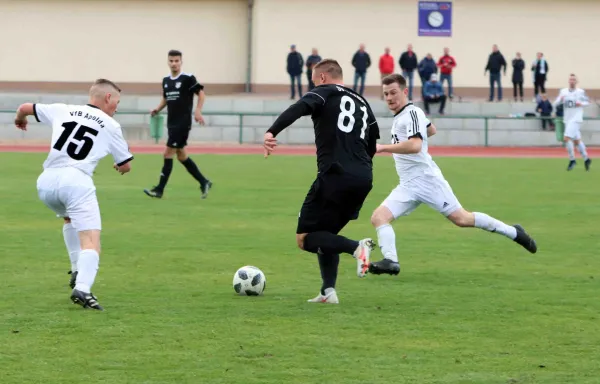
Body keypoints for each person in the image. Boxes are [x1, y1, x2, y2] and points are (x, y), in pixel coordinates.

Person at [368, 74, 537, 276]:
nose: (389, 97)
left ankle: (514, 232)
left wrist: (383, 148)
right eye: (385, 94)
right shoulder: (405, 116)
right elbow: (432, 130)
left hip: (427, 180)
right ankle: (391, 261)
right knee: (379, 217)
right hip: (408, 184)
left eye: (393, 92)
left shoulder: (411, 113)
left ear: (405, 92)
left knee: (462, 219)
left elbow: (415, 145)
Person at [263, 59, 380, 304]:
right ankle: (329, 292)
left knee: (305, 238)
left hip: (335, 175)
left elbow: (299, 107)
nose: (313, 86)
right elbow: (371, 145)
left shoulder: (324, 93)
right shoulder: (363, 103)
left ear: (323, 78)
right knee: (326, 234)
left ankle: (357, 248)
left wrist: (272, 131)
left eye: (314, 81)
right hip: (363, 178)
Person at [14, 79, 134, 310]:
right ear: (108, 98)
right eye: (117, 101)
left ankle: (77, 267)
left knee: (70, 218)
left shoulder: (63, 109)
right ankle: (83, 288)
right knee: (91, 241)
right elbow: (126, 165)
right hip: (76, 181)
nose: (117, 107)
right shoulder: (110, 125)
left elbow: (24, 107)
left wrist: (20, 120)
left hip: (46, 182)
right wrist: (120, 167)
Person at [144, 50, 212, 199]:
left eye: (177, 61)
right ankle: (204, 181)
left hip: (182, 123)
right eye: (171, 61)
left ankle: (159, 189)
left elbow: (201, 94)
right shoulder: (166, 80)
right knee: (181, 156)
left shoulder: (188, 78)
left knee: (167, 153)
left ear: (181, 62)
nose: (174, 63)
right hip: (172, 123)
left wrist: (198, 111)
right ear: (168, 62)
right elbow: (166, 99)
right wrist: (157, 109)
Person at [553, 74, 591, 171]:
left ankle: (572, 160)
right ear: (568, 81)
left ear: (576, 81)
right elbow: (556, 102)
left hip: (576, 118)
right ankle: (586, 158)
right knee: (577, 141)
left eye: (574, 79)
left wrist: (581, 103)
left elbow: (587, 102)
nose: (572, 81)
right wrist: (559, 101)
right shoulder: (563, 91)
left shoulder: (580, 92)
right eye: (570, 79)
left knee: (566, 138)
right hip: (568, 119)